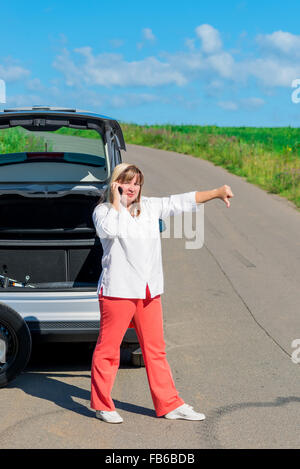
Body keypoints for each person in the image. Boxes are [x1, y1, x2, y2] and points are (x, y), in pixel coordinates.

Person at [91, 163, 234, 423]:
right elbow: (110, 230)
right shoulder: (104, 211)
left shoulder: (149, 208)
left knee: (155, 351)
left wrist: (216, 192)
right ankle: (103, 404)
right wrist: (116, 200)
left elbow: (182, 201)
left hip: (149, 292)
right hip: (118, 292)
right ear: (115, 183)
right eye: (126, 181)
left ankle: (169, 404)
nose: (132, 187)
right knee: (108, 350)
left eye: (136, 183)